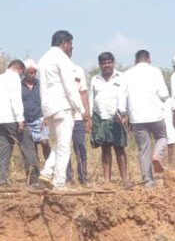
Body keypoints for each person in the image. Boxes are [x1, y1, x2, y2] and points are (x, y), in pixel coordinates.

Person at [37, 30, 86, 190]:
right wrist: (82, 110)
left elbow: (43, 88)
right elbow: (70, 87)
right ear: (65, 43)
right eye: (70, 44)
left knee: (59, 143)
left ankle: (46, 173)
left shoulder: (43, 59)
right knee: (65, 146)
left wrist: (45, 110)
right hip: (63, 106)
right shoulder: (62, 58)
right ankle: (59, 183)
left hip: (49, 108)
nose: (71, 48)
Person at [118, 49, 169, 188]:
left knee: (143, 148)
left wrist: (123, 113)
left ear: (135, 61)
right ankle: (157, 155)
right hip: (155, 115)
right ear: (149, 59)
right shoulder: (156, 72)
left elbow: (121, 97)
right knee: (162, 137)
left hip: (137, 117)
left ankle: (148, 180)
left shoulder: (126, 74)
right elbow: (164, 94)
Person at [0, 60, 39, 186]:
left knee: (3, 150)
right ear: (20, 69)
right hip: (12, 118)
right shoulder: (14, 78)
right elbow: (16, 99)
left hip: (0, 120)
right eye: (22, 73)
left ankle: (0, 180)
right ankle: (33, 179)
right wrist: (20, 118)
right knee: (27, 145)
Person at [90, 52, 129, 186]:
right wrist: (90, 118)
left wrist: (124, 115)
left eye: (109, 62)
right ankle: (107, 180)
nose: (107, 65)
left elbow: (125, 97)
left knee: (120, 149)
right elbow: (92, 99)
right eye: (104, 63)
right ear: (100, 65)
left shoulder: (122, 77)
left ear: (113, 63)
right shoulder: (95, 80)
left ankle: (124, 179)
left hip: (117, 118)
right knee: (105, 149)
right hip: (100, 118)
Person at [21, 59, 51, 163]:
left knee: (45, 142)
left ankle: (49, 165)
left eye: (35, 73)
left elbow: (47, 100)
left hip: (40, 118)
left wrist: (47, 117)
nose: (33, 75)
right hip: (26, 120)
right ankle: (36, 169)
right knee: (32, 147)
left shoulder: (40, 84)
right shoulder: (19, 86)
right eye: (31, 73)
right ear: (25, 73)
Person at [66, 64, 90, 185]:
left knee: (80, 145)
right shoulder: (56, 69)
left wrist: (87, 115)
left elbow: (83, 93)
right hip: (63, 116)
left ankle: (83, 176)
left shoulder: (78, 70)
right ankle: (68, 178)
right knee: (64, 147)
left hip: (78, 116)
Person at [163, 96, 175, 167]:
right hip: (160, 123)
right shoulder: (155, 98)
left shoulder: (171, 99)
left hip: (169, 123)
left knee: (170, 144)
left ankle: (170, 163)